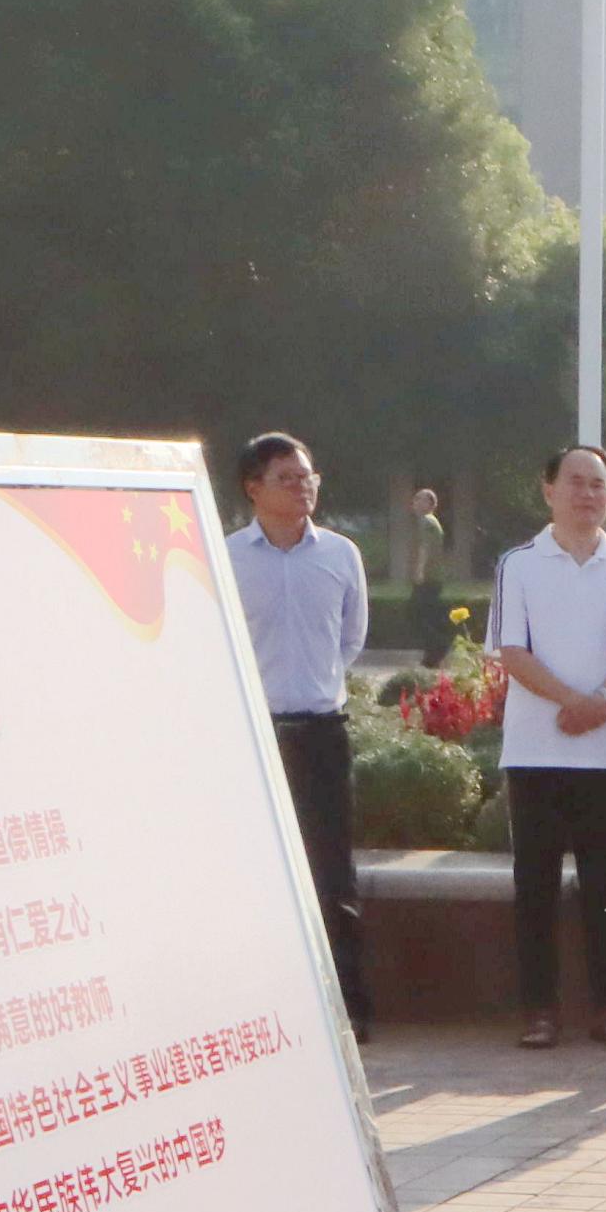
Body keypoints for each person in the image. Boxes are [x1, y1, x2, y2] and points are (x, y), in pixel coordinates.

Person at [487, 442, 606, 1050]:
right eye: (575, 482)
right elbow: (512, 652)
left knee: (603, 884)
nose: (587, 494)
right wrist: (571, 702)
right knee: (534, 884)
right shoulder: (519, 564)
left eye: (598, 484)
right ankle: (538, 1012)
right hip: (536, 749)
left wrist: (600, 701)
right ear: (548, 490)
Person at [228, 431, 375, 1034]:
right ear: (253, 488)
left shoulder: (340, 555)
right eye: (286, 478)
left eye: (307, 476)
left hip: (321, 732)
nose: (302, 488)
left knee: (332, 870)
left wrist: (318, 684)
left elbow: (351, 638)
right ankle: (263, 1010)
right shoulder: (226, 557)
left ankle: (348, 1011)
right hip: (253, 735)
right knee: (254, 870)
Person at [389, 482, 452, 659]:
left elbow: (425, 548)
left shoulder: (427, 522)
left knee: (415, 614)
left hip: (429, 577)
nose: (414, 502)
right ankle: (434, 652)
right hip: (433, 577)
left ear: (429, 504)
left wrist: (419, 571)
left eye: (419, 499)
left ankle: (438, 647)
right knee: (426, 614)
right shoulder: (430, 522)